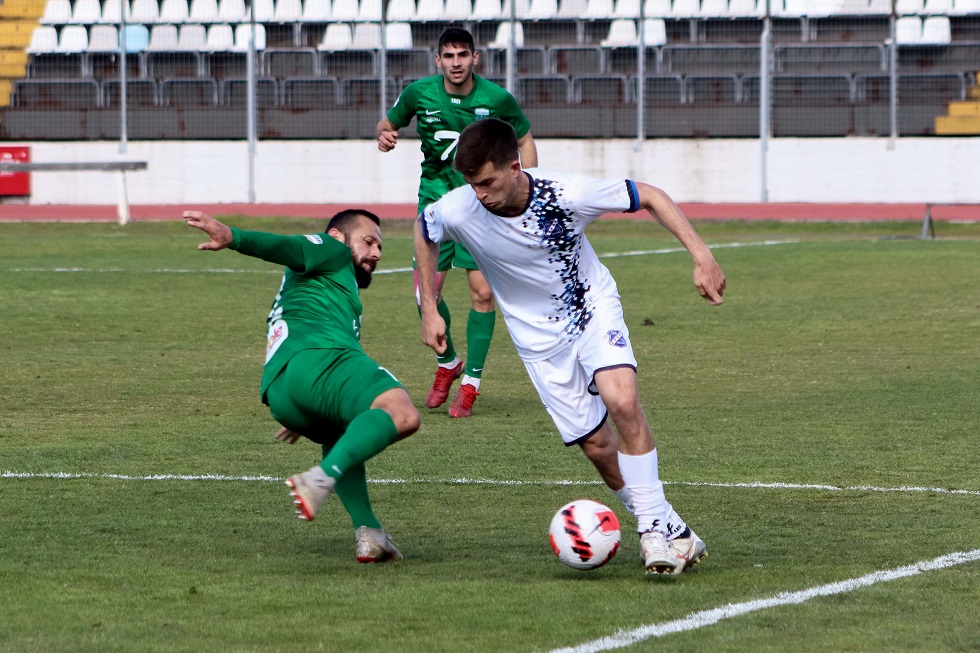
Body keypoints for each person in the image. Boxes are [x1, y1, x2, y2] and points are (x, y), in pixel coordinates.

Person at [414, 119, 727, 576]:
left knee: (622, 399)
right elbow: (424, 229)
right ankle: (669, 527)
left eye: (486, 182)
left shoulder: (568, 193)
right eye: (471, 183)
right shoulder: (461, 208)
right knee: (599, 447)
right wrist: (429, 306)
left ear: (516, 167)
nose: (478, 193)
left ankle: (653, 534)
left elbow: (651, 196)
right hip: (537, 341)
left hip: (591, 309)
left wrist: (702, 255)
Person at [183, 209, 420, 564]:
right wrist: (232, 236)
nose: (377, 254)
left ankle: (370, 534)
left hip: (283, 390)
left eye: (380, 247)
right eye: (368, 241)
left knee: (344, 433)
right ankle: (318, 479)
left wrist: (304, 400)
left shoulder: (324, 285)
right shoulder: (332, 248)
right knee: (400, 412)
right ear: (339, 236)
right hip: (317, 361)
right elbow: (288, 245)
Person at [377, 27, 538, 419]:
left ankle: (471, 385)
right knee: (424, 295)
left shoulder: (496, 98)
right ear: (438, 60)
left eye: (462, 55)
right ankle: (448, 362)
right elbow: (387, 123)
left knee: (482, 294)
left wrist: (527, 184)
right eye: (448, 56)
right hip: (435, 205)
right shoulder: (419, 93)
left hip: (481, 206)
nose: (456, 63)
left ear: (475, 58)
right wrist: (385, 136)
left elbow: (526, 139)